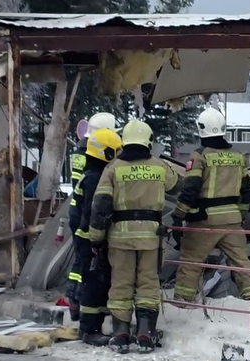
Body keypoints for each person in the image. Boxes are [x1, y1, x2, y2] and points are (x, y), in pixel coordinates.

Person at [88, 120, 182, 354]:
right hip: (150, 237)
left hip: (120, 238)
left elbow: (100, 206)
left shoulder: (113, 168)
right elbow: (177, 185)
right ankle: (145, 334)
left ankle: (120, 334)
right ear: (148, 141)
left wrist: (96, 237)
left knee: (121, 284)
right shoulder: (159, 166)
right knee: (148, 283)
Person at [171, 107, 250, 305]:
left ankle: (183, 302)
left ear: (201, 128)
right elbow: (247, 191)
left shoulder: (200, 156)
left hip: (205, 221)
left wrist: (178, 215)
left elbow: (190, 189)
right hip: (232, 220)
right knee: (241, 262)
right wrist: (241, 216)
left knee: (191, 262)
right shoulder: (238, 156)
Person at [66, 112, 118, 321]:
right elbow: (94, 201)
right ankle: (80, 303)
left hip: (79, 211)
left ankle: (74, 301)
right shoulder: (95, 168)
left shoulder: (83, 150)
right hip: (86, 215)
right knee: (88, 265)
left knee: (81, 262)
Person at [73, 129, 122, 346]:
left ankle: (92, 326)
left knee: (99, 283)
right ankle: (89, 330)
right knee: (93, 285)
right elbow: (94, 212)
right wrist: (97, 239)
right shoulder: (95, 178)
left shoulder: (92, 174)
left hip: (90, 239)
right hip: (90, 240)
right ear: (106, 153)